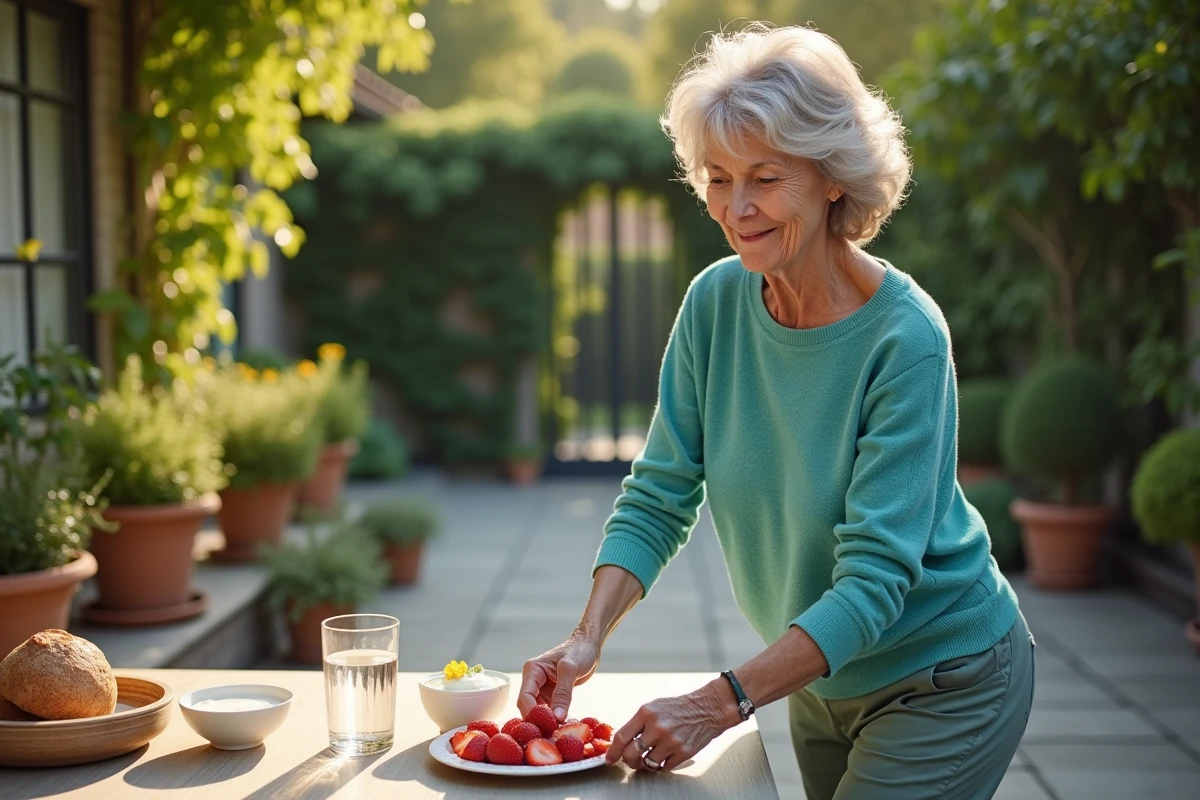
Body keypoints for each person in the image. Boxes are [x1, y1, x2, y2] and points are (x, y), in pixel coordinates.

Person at [518, 23, 1034, 800]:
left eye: (765, 177)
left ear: (833, 176)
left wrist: (711, 704)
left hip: (942, 679)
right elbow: (659, 494)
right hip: (816, 676)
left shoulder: (906, 339)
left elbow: (873, 584)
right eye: (719, 178)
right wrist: (586, 636)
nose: (737, 207)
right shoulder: (714, 303)